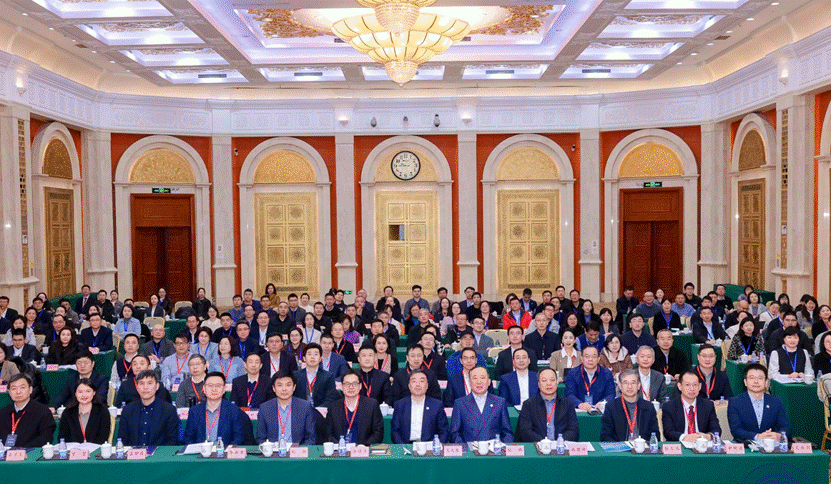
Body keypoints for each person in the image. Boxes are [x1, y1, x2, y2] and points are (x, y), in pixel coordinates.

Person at [727, 363, 790, 444]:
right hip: (745, 446)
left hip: (770, 446)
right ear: (745, 382)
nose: (756, 381)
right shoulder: (735, 402)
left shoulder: (775, 402)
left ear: (766, 382)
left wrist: (779, 435)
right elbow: (736, 430)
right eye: (752, 378)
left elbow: (785, 426)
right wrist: (757, 436)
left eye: (760, 378)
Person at [449, 366, 513, 443]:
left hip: (493, 449)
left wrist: (503, 447)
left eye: (482, 378)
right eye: (475, 378)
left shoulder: (500, 402)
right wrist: (465, 448)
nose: (479, 382)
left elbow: (507, 432)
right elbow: (454, 433)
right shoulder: (460, 403)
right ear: (469, 382)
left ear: (489, 382)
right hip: (469, 448)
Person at [117, 369, 179, 446]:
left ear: (157, 386)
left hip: (159, 453)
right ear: (137, 387)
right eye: (141, 383)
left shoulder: (169, 410)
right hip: (133, 453)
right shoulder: (127, 410)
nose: (145, 387)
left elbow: (172, 441)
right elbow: (122, 440)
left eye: (149, 383)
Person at [516, 368, 579, 442]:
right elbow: (525, 431)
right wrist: (544, 443)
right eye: (544, 380)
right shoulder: (528, 404)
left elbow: (573, 431)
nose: (548, 383)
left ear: (557, 383)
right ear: (538, 384)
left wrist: (559, 442)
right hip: (537, 445)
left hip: (561, 446)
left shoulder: (567, 404)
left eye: (552, 380)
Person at [183, 371, 245, 445]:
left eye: (218, 386)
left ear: (224, 389)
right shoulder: (194, 411)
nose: (214, 389)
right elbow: (188, 438)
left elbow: (238, 438)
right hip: (200, 451)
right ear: (204, 388)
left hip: (223, 451)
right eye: (210, 386)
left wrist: (225, 450)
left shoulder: (234, 410)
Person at [257, 370, 317, 444]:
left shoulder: (305, 407)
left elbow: (311, 438)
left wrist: (298, 449)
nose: (284, 389)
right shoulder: (265, 408)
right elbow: (261, 438)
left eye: (288, 385)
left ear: (294, 387)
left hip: (297, 450)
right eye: (280, 385)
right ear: (274, 388)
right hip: (273, 450)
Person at [325, 370, 384, 445]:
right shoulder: (333, 407)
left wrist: (364, 446)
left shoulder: (372, 405)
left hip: (363, 449)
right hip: (341, 450)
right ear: (341, 387)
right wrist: (340, 446)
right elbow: (329, 434)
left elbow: (378, 433)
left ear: (360, 386)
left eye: (354, 384)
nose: (351, 387)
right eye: (347, 384)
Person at [600, 369, 660, 442]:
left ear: (638, 385)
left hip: (643, 447)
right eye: (625, 383)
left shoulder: (648, 407)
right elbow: (606, 435)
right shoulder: (611, 407)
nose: (629, 386)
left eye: (633, 383)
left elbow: (655, 434)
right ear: (620, 386)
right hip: (620, 447)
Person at [391, 369, 449, 443]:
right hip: (406, 446)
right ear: (409, 386)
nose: (418, 384)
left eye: (421, 381)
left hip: (429, 446)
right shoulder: (400, 405)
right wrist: (403, 446)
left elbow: (444, 431)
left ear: (427, 386)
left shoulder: (437, 405)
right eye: (414, 381)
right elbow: (395, 431)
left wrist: (436, 446)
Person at [661, 371, 721, 441]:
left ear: (700, 386)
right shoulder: (669, 407)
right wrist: (684, 437)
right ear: (679, 386)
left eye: (695, 385)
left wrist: (708, 436)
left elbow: (716, 429)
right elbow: (668, 432)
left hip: (702, 444)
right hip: (681, 444)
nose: (692, 389)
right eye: (687, 385)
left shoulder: (708, 405)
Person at [0, 374, 55, 447]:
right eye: (14, 388)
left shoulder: (43, 412)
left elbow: (46, 439)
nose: (18, 392)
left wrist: (21, 449)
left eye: (22, 388)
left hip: (31, 452)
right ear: (9, 392)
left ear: (30, 390)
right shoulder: (3, 413)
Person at [57, 378, 111, 444]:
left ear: (94, 392)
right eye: (80, 392)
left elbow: (103, 437)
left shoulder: (102, 411)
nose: (84, 395)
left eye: (88, 391)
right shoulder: (68, 412)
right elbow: (62, 437)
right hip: (73, 449)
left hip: (96, 449)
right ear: (75, 394)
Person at [564, 346, 615, 410]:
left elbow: (611, 394)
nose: (590, 359)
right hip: (579, 410)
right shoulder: (573, 373)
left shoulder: (607, 373)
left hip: (600, 410)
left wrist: (602, 403)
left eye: (594, 357)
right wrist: (579, 404)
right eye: (587, 356)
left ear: (598, 359)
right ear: (581, 358)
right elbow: (569, 394)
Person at [293, 343, 337, 407]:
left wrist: (318, 410)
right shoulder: (296, 375)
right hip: (300, 410)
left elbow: (330, 398)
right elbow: (293, 397)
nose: (312, 357)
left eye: (316, 354)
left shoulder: (328, 376)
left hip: (321, 411)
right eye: (309, 354)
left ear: (320, 358)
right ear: (304, 358)